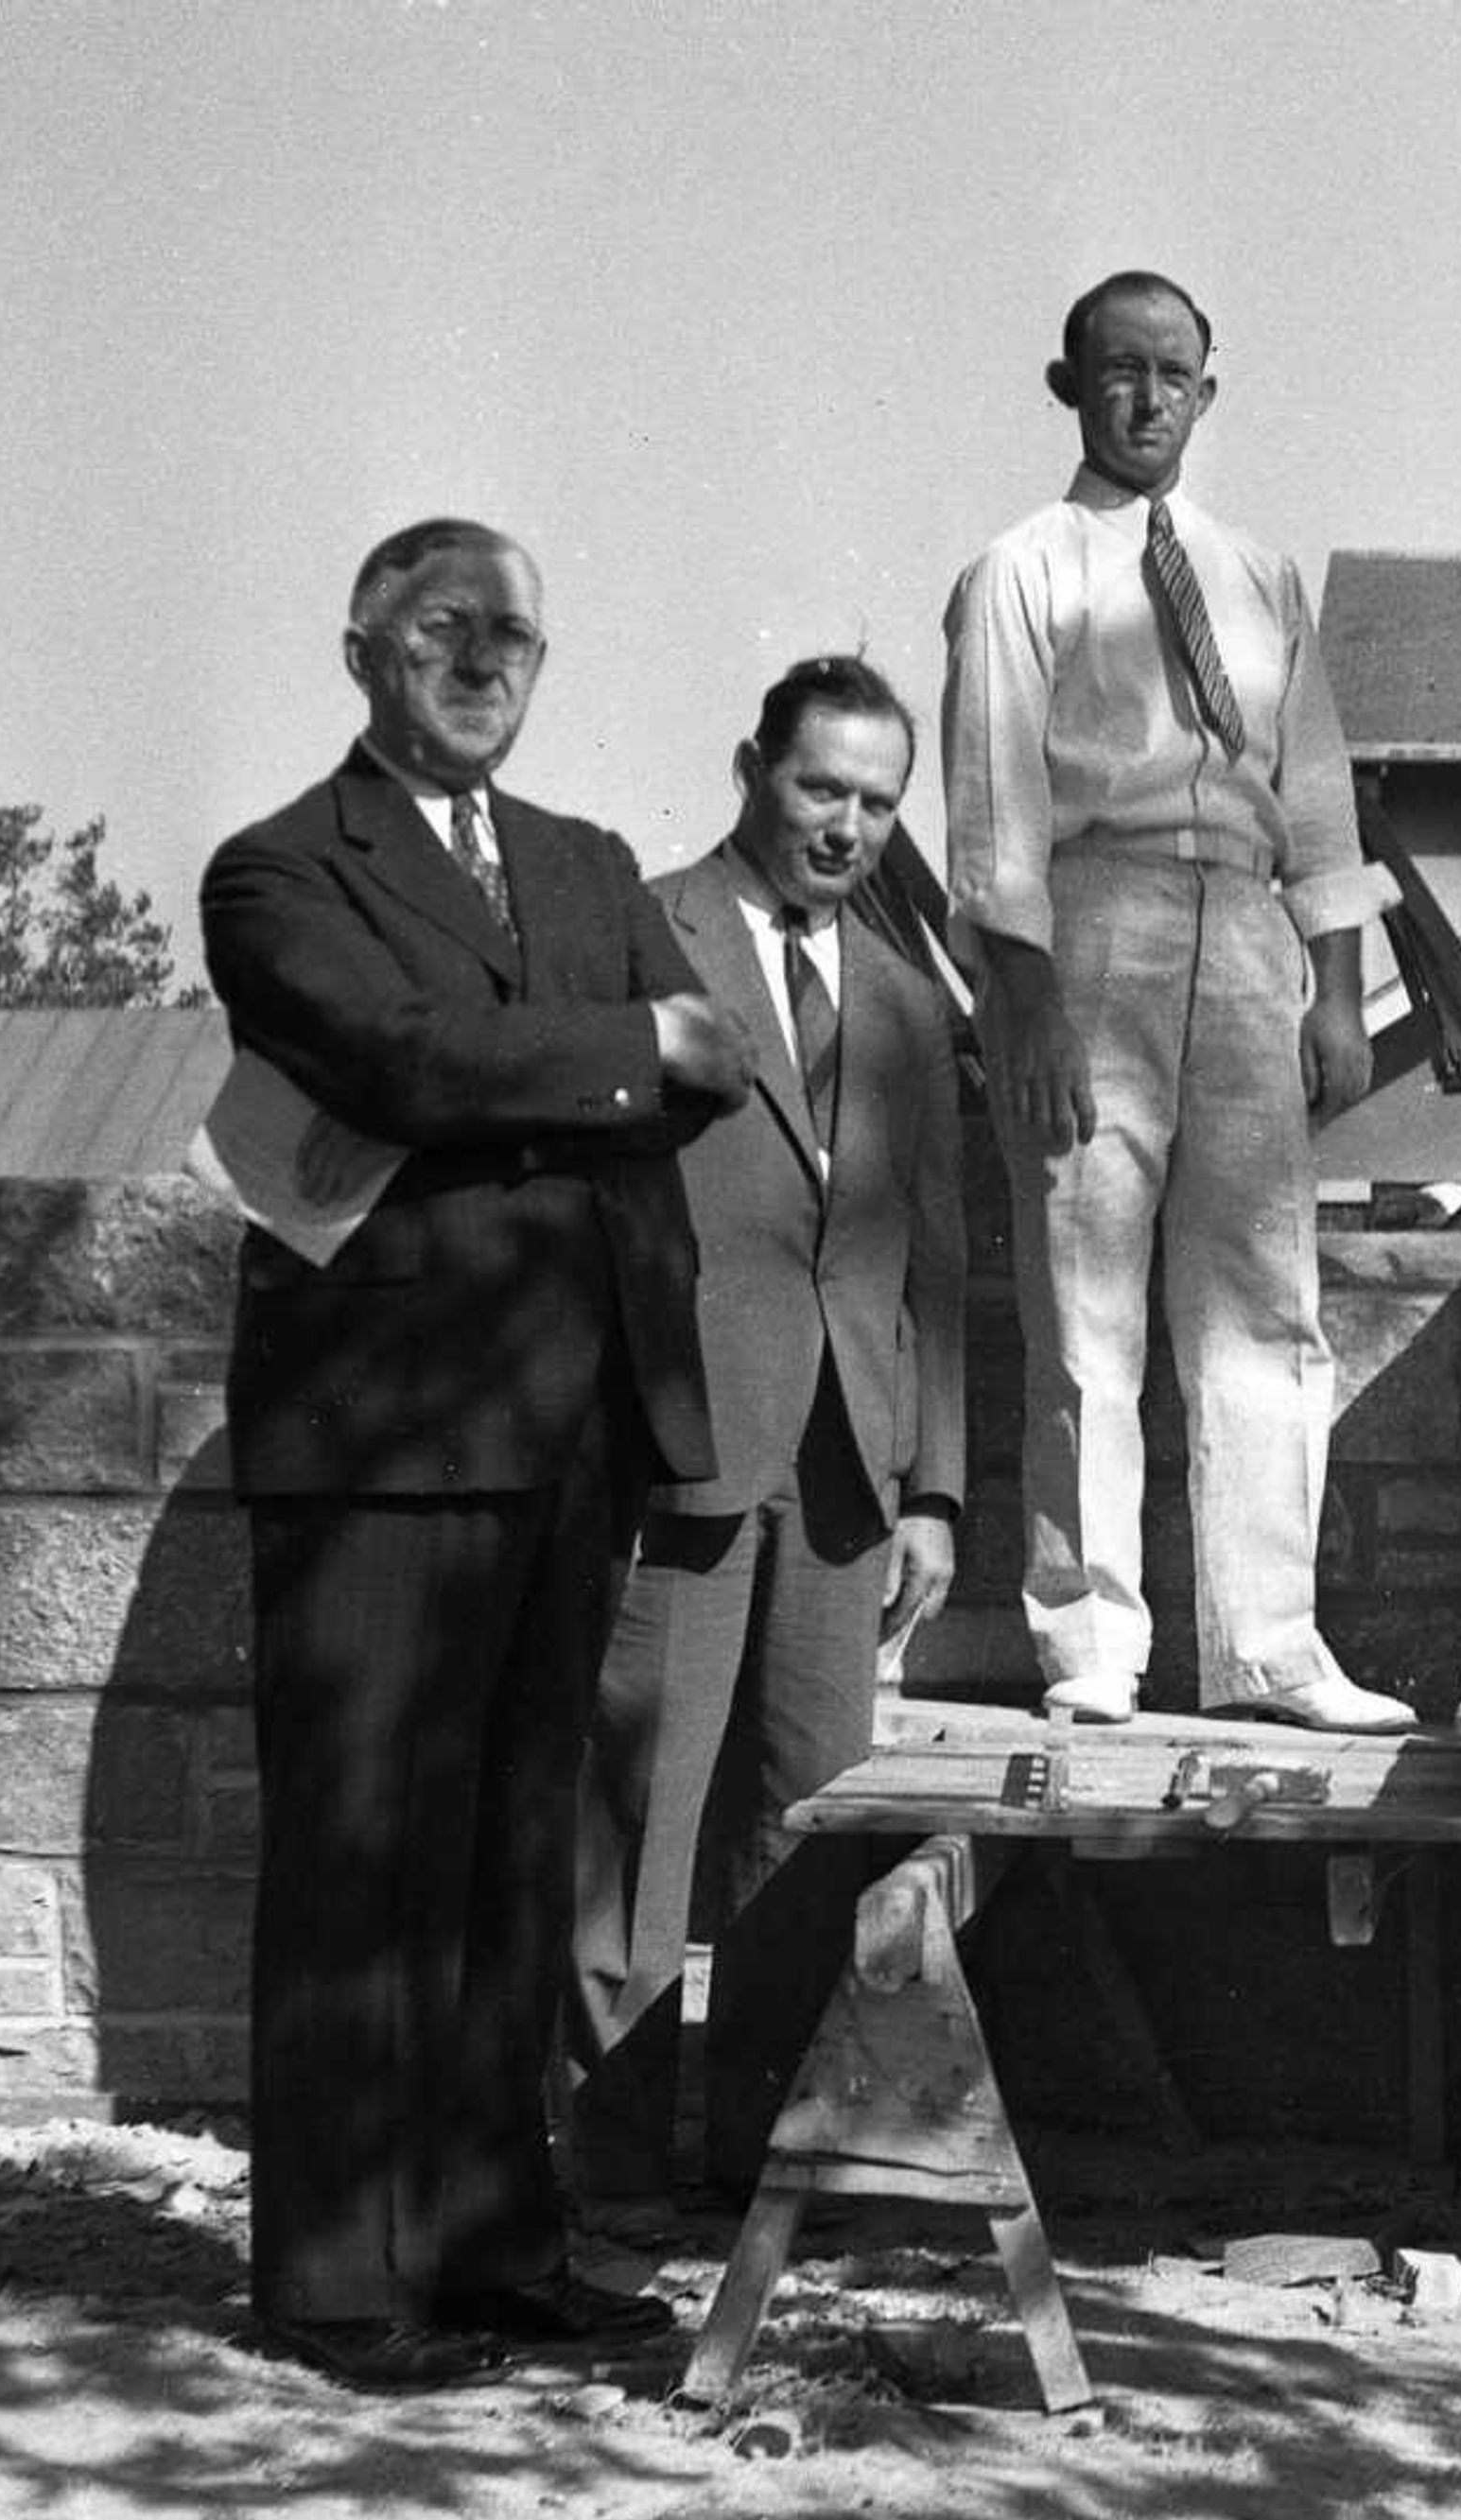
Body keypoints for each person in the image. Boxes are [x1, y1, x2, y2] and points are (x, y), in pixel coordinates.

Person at [201, 518, 754, 2389]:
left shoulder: (589, 863)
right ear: (362, 646)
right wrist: (601, 1050)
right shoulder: (276, 871)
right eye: (446, 626)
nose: (485, 658)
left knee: (522, 1855)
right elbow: (394, 1062)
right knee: (367, 1857)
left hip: (570, 1414)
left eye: (516, 631)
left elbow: (718, 1062)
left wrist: (521, 1060)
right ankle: (341, 2283)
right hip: (380, 1433)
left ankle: (495, 2243)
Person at [944, 267, 1411, 1733]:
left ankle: (1269, 1641)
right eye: (1117, 371)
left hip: (1246, 928)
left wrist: (1335, 994)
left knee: (1266, 1301)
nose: (1146, 399)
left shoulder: (1260, 579)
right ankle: (1091, 1646)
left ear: (1210, 392)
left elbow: (1319, 799)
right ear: (1067, 387)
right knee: (1086, 1306)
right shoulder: (1022, 571)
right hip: (1094, 924)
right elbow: (994, 808)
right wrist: (1022, 1011)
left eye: (1173, 374)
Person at [565, 656, 967, 2210]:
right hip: (681, 1451)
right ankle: (603, 2188)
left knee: (808, 1839)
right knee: (639, 1827)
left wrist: (932, 1484)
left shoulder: (908, 1001)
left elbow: (935, 1252)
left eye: (878, 802)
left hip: (847, 1481)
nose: (847, 826)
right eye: (821, 789)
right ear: (751, 768)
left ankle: (762, 2186)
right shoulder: (639, 938)